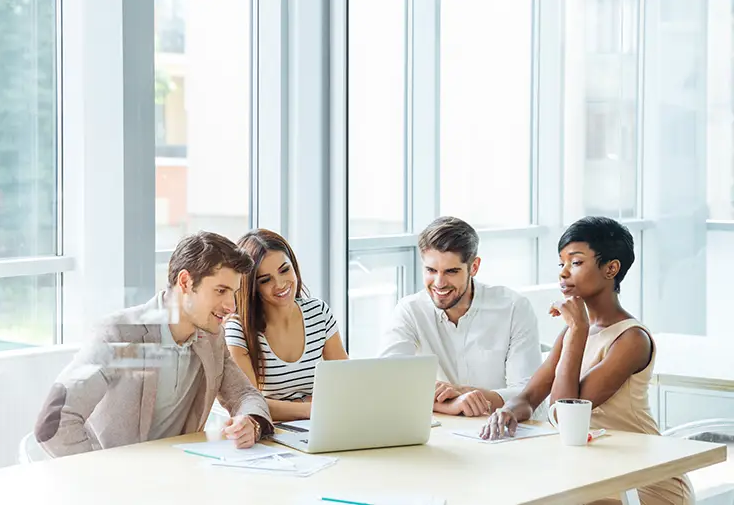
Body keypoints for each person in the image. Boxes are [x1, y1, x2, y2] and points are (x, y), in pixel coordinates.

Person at [481, 216, 692, 504]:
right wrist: (507, 411)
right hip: (595, 473)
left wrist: (578, 329)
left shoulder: (631, 340)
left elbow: (566, 415)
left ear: (611, 268)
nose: (563, 274)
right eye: (561, 264)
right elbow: (529, 397)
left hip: (644, 481)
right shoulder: (571, 333)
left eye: (576, 263)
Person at [34, 231, 273, 457]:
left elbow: (243, 394)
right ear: (186, 282)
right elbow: (53, 421)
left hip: (178, 477)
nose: (231, 306)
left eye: (233, 293)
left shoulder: (212, 337)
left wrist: (250, 423)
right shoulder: (119, 334)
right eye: (221, 290)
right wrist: (101, 475)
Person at [379, 216, 542, 418]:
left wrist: (466, 394)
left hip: (498, 429)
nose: (439, 283)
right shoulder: (410, 311)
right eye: (431, 270)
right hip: (437, 433)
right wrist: (452, 405)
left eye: (451, 271)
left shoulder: (514, 308)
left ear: (474, 267)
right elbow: (388, 383)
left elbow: (530, 394)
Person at [225, 229, 348, 422]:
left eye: (284, 270)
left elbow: (347, 383)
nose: (280, 284)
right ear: (252, 287)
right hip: (272, 433)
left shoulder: (318, 312)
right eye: (265, 280)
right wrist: (310, 408)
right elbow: (251, 404)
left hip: (321, 425)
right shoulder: (238, 328)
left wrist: (302, 407)